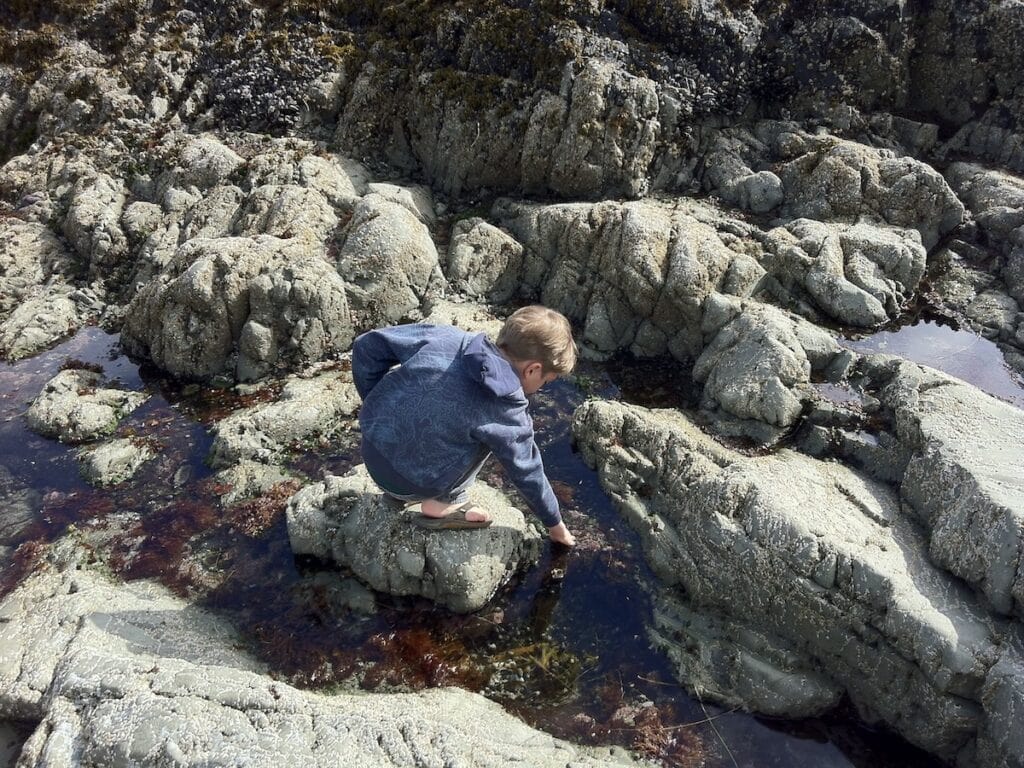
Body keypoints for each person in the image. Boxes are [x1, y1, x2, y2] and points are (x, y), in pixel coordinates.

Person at [352, 305, 577, 546]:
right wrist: (556, 526)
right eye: (545, 381)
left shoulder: (448, 337)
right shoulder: (508, 409)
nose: (541, 387)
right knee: (492, 435)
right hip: (413, 485)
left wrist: (376, 402)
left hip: (372, 449)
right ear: (533, 369)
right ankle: (446, 503)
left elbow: (366, 346)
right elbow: (527, 472)